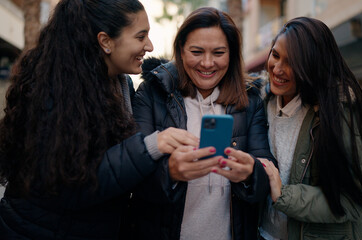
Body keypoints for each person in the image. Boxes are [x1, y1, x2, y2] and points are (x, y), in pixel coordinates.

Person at [0, 0, 161, 239]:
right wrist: (151, 148)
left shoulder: (120, 84)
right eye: (140, 37)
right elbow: (74, 184)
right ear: (105, 41)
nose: (149, 46)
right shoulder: (58, 92)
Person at [125, 7, 276, 240]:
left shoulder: (251, 100)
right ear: (181, 51)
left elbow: (266, 180)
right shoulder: (152, 92)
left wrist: (251, 173)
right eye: (196, 51)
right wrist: (171, 173)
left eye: (218, 53)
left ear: (232, 55)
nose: (207, 63)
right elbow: (132, 174)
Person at [257, 17, 362, 240]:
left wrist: (283, 195)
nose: (278, 68)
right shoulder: (260, 100)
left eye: (292, 62)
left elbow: (350, 201)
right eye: (275, 55)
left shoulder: (337, 112)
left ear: (312, 66)